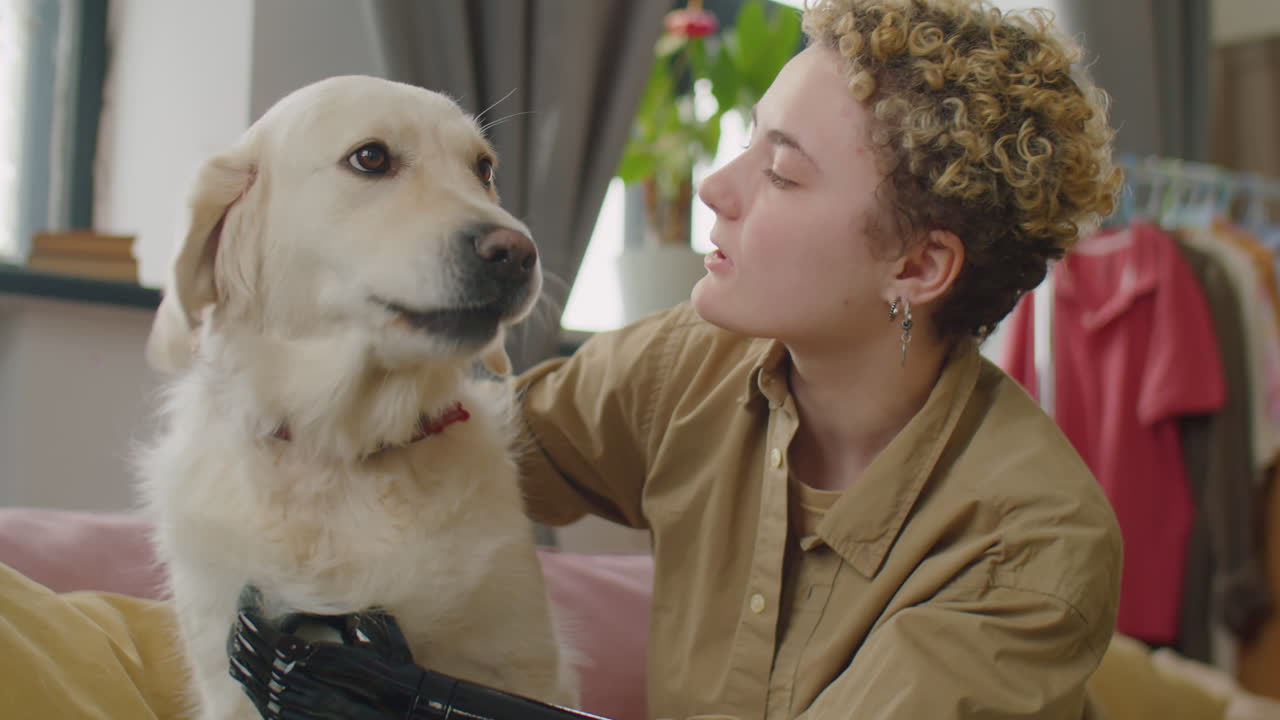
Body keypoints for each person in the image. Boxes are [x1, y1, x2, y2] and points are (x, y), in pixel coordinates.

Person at [227, 0, 1126, 718]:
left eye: (780, 173)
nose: (714, 188)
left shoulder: (1031, 551)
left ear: (919, 266)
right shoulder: (689, 367)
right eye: (747, 141)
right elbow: (454, 449)